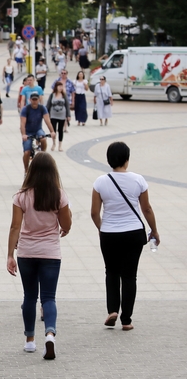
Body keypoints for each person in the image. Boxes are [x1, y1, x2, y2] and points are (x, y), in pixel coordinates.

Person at [7, 152, 72, 360]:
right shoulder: (59, 195)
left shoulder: (22, 195)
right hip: (50, 252)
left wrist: (10, 254)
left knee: (29, 297)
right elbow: (66, 224)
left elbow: (15, 226)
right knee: (49, 297)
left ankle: (29, 341)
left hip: (26, 252)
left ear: (32, 170)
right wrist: (65, 226)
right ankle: (50, 334)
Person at [91, 141, 160, 331]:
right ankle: (127, 320)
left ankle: (112, 310)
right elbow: (146, 208)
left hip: (109, 234)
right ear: (127, 160)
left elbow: (94, 213)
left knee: (111, 272)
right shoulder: (138, 180)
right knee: (130, 276)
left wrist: (101, 228)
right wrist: (154, 230)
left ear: (109, 160)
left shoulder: (100, 182)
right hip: (133, 234)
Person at [20, 93, 56, 173]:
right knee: (26, 152)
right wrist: (24, 134)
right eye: (33, 100)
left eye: (36, 99)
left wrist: (52, 131)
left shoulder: (42, 108)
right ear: (30, 100)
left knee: (43, 138)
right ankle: (26, 170)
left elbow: (47, 120)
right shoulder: (26, 109)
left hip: (38, 130)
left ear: (39, 100)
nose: (35, 101)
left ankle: (42, 154)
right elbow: (22, 123)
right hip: (28, 132)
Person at [46, 81, 71, 152]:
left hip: (62, 115)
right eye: (59, 86)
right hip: (53, 115)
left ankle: (60, 145)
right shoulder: (52, 95)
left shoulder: (64, 95)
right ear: (56, 87)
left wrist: (68, 115)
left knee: (60, 130)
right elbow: (48, 105)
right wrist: (46, 114)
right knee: (53, 130)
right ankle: (54, 143)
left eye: (61, 86)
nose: (60, 88)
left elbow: (67, 105)